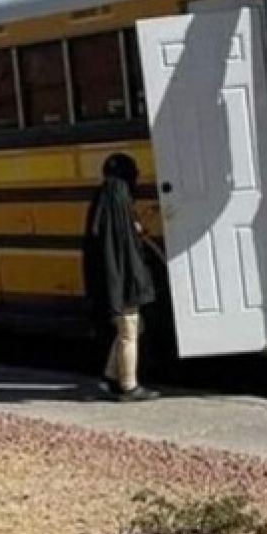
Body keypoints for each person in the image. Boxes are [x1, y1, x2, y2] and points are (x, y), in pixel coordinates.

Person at [82, 153, 160, 402]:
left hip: (111, 280)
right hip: (124, 282)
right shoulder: (119, 199)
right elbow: (127, 249)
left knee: (129, 328)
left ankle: (110, 375)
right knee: (129, 331)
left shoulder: (103, 202)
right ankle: (128, 385)